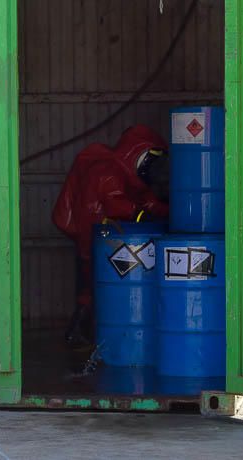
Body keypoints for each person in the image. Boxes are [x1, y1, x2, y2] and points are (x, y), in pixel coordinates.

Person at [52, 125, 170, 346]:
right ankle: (80, 331)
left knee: (100, 281)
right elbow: (116, 202)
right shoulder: (108, 171)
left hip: (105, 236)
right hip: (94, 231)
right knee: (92, 280)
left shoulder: (131, 176)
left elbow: (147, 201)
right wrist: (141, 215)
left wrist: (167, 211)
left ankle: (89, 331)